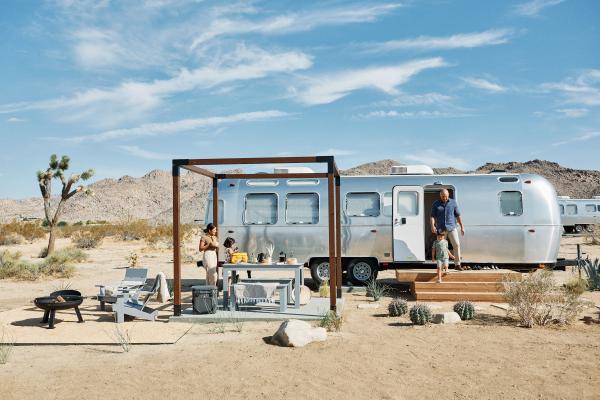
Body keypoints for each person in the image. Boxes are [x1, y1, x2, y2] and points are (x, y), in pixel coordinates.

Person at [430, 189, 466, 270]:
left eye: (446, 196)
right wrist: (432, 226)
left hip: (451, 227)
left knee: (456, 244)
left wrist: (462, 227)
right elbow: (432, 216)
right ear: (440, 195)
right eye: (443, 196)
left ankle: (457, 264)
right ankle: (442, 265)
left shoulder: (453, 202)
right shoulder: (436, 204)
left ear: (448, 195)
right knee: (441, 247)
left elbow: (458, 215)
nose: (444, 198)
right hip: (441, 229)